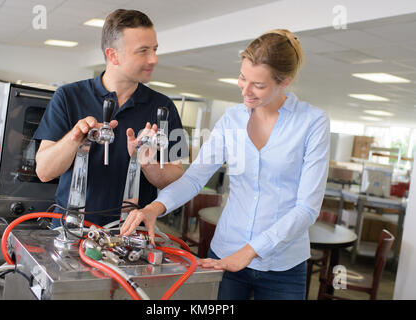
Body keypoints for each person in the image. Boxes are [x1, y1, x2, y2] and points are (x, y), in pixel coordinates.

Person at [120, 29, 330, 300]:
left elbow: (307, 208)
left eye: (259, 85)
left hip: (283, 266)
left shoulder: (311, 122)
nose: (246, 90)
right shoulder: (232, 120)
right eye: (243, 78)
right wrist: (154, 208)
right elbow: (195, 178)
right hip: (225, 254)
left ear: (284, 81)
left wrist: (249, 251)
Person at [34, 9, 187, 227]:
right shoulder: (67, 96)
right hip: (72, 230)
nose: (154, 59)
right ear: (113, 55)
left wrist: (147, 163)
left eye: (154, 49)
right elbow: (44, 171)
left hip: (132, 236)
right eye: (143, 51)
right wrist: (75, 137)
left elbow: (176, 175)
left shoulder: (164, 107)